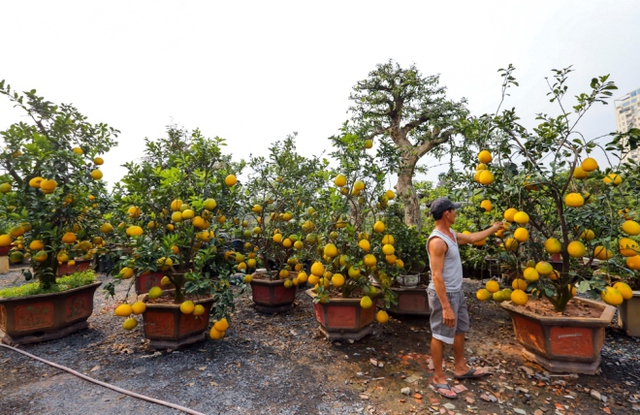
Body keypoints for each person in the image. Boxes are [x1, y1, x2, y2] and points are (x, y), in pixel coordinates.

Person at [426, 197, 503, 399]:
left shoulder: (450, 234)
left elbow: (471, 238)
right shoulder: (437, 241)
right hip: (444, 294)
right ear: (447, 214)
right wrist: (445, 306)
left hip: (457, 292)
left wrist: (494, 228)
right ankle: (438, 377)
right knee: (440, 335)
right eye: (454, 210)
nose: (456, 213)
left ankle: (460, 368)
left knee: (459, 330)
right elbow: (437, 275)